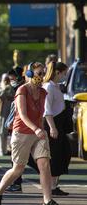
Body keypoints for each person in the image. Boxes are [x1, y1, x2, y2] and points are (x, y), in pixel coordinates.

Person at [0, 62, 57, 205]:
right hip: (22, 132)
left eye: (43, 73)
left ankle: (47, 200)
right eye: (39, 73)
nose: (42, 76)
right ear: (29, 75)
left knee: (44, 164)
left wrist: (47, 128)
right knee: (18, 169)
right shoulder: (22, 90)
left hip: (39, 133)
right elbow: (23, 115)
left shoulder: (43, 92)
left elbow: (43, 114)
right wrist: (36, 129)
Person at [42, 61, 70, 196]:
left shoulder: (56, 87)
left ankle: (54, 184)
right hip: (51, 124)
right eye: (64, 73)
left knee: (63, 153)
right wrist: (52, 128)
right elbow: (47, 110)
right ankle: (51, 186)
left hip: (59, 123)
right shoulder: (49, 87)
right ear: (57, 72)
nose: (65, 76)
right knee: (55, 155)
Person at [0, 73, 15, 156]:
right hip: (0, 113)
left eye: (7, 79)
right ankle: (0, 151)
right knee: (0, 132)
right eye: (4, 79)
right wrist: (4, 88)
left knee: (6, 132)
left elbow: (13, 95)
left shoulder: (11, 88)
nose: (6, 81)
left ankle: (5, 151)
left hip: (9, 113)